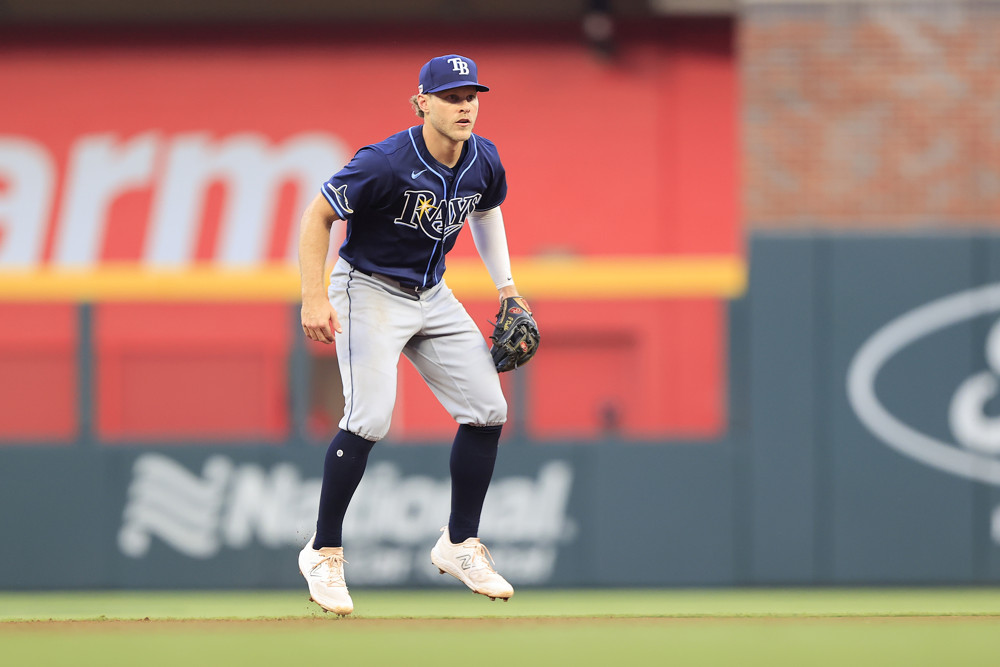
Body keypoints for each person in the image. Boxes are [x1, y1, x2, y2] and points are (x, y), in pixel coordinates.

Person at [296, 54, 531, 615]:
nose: (464, 105)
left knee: (487, 409)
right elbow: (317, 217)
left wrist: (507, 288)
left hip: (432, 292)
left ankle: (458, 543)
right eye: (451, 96)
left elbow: (486, 209)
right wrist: (313, 295)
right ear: (421, 102)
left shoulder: (483, 158)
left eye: (471, 95)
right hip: (368, 288)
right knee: (370, 418)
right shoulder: (384, 162)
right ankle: (322, 550)